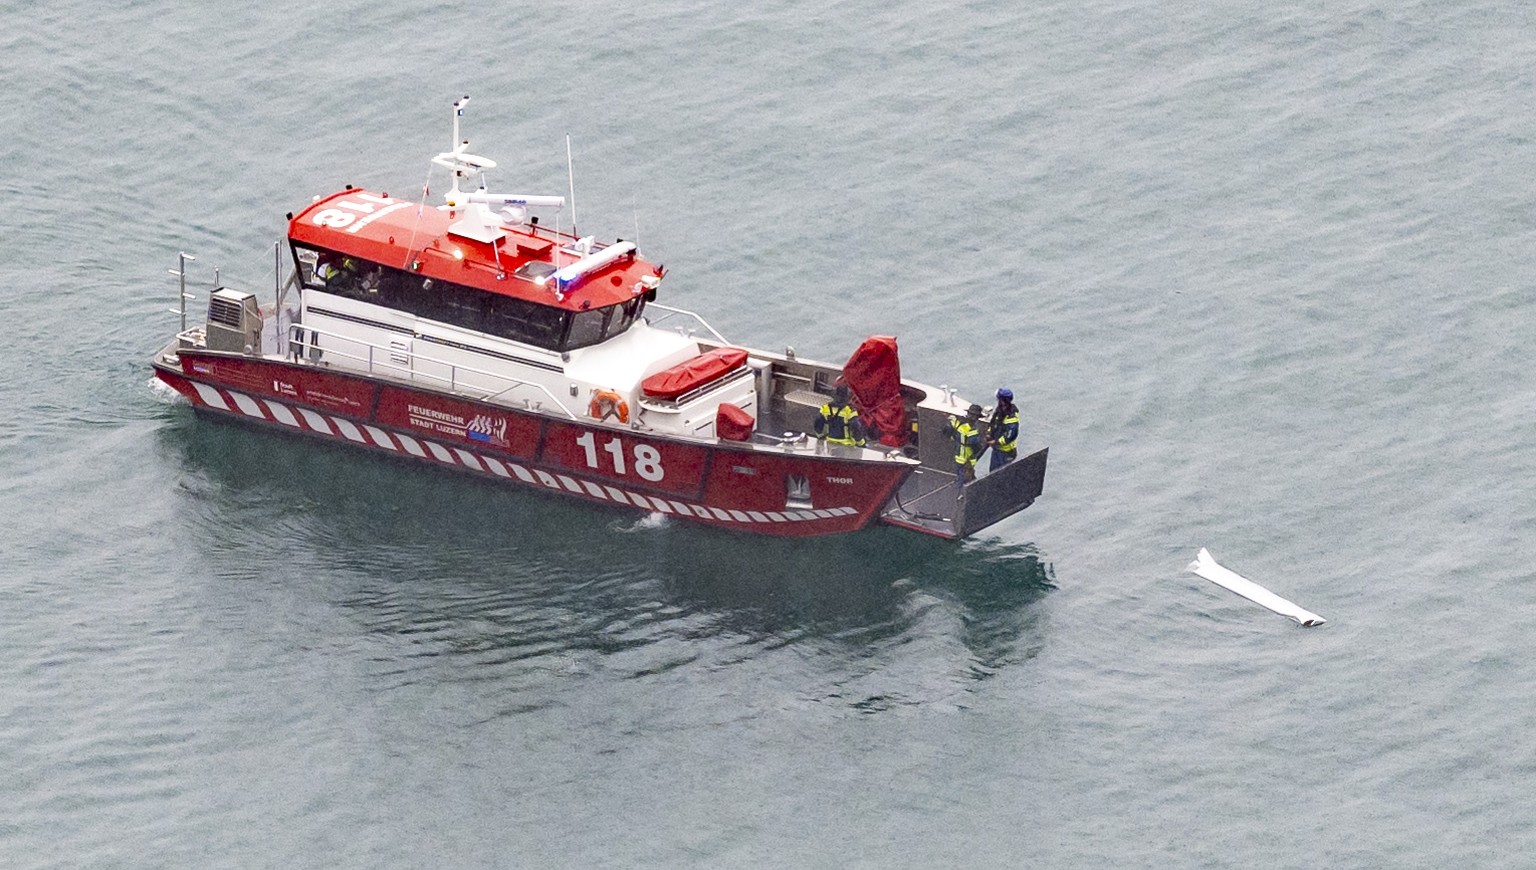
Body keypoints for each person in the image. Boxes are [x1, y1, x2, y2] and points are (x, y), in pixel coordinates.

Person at [944, 403, 986, 486]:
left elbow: (946, 430)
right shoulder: (973, 431)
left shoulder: (958, 422)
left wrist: (954, 438)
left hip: (958, 455)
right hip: (968, 459)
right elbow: (976, 447)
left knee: (960, 474)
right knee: (964, 478)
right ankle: (961, 490)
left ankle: (960, 486)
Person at [986, 387, 1020, 471]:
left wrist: (996, 442)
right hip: (997, 450)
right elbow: (994, 422)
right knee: (993, 472)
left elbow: (1010, 436)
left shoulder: (1011, 417)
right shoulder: (999, 410)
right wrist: (989, 432)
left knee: (1003, 472)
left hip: (1006, 452)